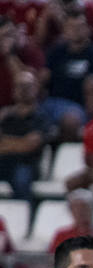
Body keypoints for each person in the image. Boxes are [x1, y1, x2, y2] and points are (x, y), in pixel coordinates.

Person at [0, 69, 48, 203]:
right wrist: (20, 142)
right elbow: (24, 143)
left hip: (27, 164)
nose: (23, 90)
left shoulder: (41, 116)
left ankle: (23, 219)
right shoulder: (5, 115)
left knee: (21, 180)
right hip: (3, 162)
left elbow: (30, 145)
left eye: (27, 86)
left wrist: (5, 142)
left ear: (35, 88)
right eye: (19, 86)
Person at [50, 188, 93, 253]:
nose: (80, 212)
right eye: (76, 208)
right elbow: (52, 259)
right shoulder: (62, 235)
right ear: (71, 210)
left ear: (92, 209)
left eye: (84, 207)